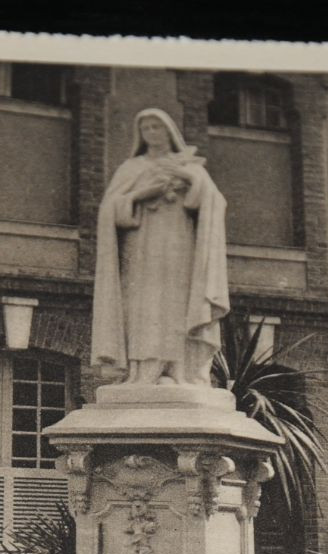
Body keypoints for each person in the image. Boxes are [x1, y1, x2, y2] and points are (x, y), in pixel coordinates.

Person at [91, 108, 230, 388]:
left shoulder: (190, 166)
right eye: (146, 129)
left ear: (169, 131)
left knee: (175, 304)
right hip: (140, 248)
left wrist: (189, 179)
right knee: (144, 306)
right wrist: (143, 194)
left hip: (180, 245)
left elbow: (213, 203)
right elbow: (108, 211)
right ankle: (143, 371)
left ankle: (180, 370)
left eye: (157, 127)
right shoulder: (131, 168)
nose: (152, 133)